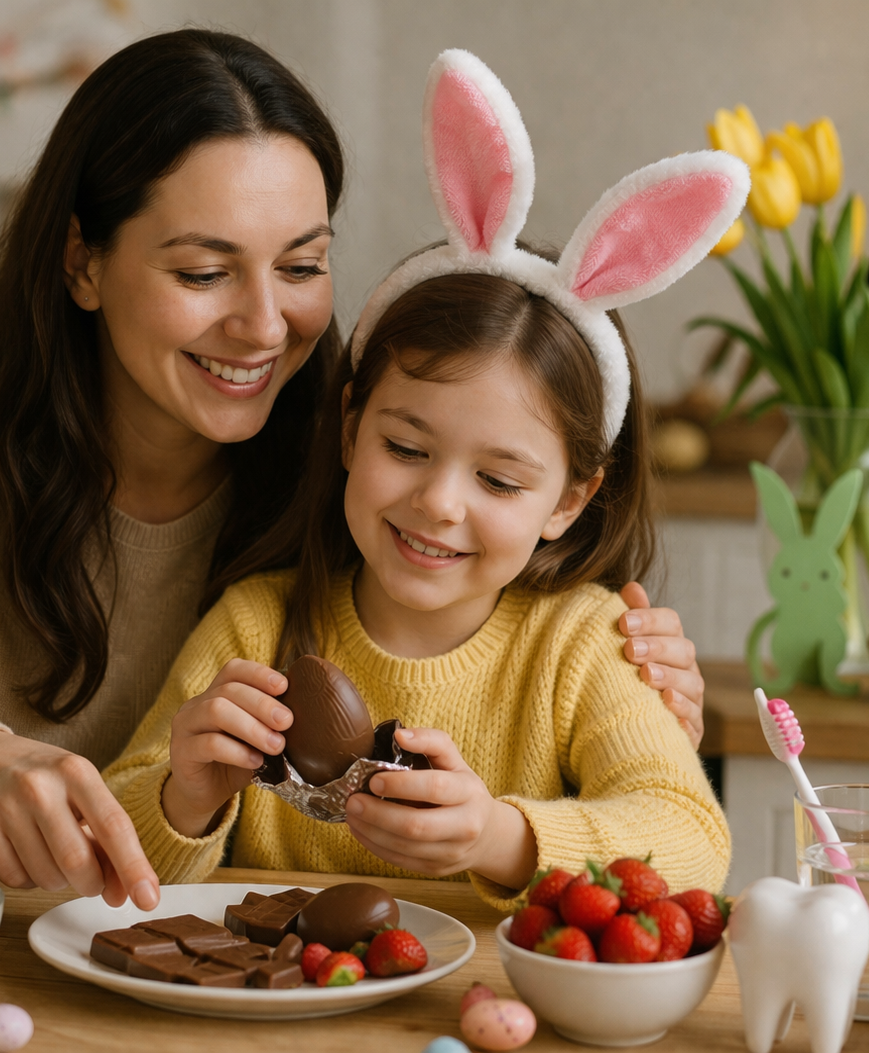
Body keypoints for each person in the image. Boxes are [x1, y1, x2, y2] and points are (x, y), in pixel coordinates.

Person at [0, 33, 706, 910]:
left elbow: (642, 803)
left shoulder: (362, 453)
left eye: (302, 265)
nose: (265, 325)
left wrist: (628, 695)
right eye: (202, 271)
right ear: (82, 263)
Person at [104, 51, 747, 902]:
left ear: (571, 499)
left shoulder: (583, 646)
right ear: (348, 428)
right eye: (405, 449)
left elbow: (695, 839)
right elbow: (112, 842)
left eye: (500, 481)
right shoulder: (255, 626)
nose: (439, 503)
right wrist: (183, 794)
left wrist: (500, 835)